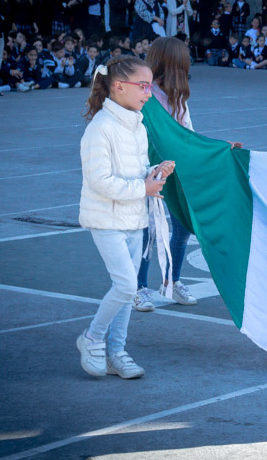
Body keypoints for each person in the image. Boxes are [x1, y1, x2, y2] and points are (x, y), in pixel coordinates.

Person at [76, 54, 176, 378]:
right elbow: (100, 181)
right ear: (118, 87)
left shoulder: (137, 126)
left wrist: (154, 172)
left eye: (150, 86)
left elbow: (134, 174)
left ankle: (116, 353)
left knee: (128, 289)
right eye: (143, 86)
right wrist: (142, 188)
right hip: (105, 220)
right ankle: (92, 338)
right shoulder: (100, 129)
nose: (149, 93)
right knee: (125, 284)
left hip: (134, 219)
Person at [133, 37, 243, 312]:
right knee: (148, 229)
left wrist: (220, 149)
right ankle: (139, 287)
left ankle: (173, 281)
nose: (189, 63)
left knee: (182, 225)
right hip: (148, 170)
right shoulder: (144, 97)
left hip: (177, 168)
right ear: (172, 63)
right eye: (185, 59)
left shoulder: (178, 97)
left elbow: (188, 137)